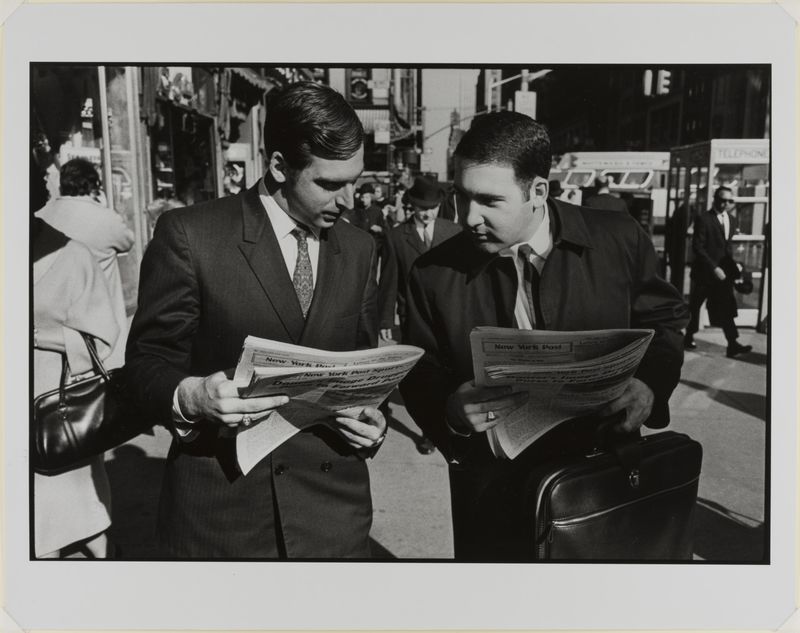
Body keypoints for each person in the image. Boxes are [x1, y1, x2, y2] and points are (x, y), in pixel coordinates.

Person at [399, 111, 689, 561]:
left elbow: (665, 320)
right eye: (460, 196)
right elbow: (420, 367)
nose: (468, 217)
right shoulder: (432, 273)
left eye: (489, 201)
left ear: (537, 191)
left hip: (602, 480)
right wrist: (451, 410)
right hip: (493, 496)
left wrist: (649, 385)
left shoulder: (618, 240)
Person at [125, 82, 386, 559]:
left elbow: (361, 369)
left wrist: (373, 420)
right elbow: (145, 364)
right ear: (280, 166)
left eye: (355, 181)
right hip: (223, 513)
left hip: (334, 515)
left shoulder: (360, 248)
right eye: (329, 184)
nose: (349, 200)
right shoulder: (191, 235)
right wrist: (192, 396)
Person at [33, 216, 120, 558]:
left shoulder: (73, 255)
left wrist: (38, 336)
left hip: (57, 403)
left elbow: (100, 339)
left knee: (72, 505)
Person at [378, 176, 461, 456]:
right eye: (422, 208)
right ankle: (429, 431)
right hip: (413, 319)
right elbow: (389, 281)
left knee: (450, 375)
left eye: (433, 207)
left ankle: (444, 428)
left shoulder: (454, 232)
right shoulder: (396, 237)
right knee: (424, 378)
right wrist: (385, 320)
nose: (427, 213)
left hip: (450, 317)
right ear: (411, 206)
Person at [36, 157, 134, 368]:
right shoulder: (104, 218)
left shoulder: (43, 215)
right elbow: (128, 242)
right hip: (96, 321)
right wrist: (106, 206)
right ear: (94, 185)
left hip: (50, 328)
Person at [684, 187, 752, 358]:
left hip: (723, 274)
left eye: (730, 201)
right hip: (705, 274)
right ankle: (688, 336)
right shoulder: (703, 219)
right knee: (695, 306)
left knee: (726, 307)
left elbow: (727, 248)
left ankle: (732, 344)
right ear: (715, 199)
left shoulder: (732, 220)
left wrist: (734, 270)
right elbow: (698, 247)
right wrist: (714, 268)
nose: (726, 204)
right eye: (722, 200)